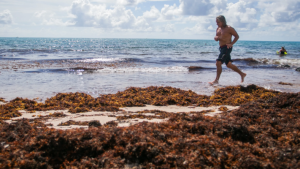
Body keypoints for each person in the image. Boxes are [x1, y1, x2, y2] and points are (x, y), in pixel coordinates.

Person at [209, 15, 246, 85]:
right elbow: (218, 38)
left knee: (218, 62)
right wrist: (216, 38)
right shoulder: (218, 28)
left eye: (218, 22)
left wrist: (231, 43)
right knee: (229, 65)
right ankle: (242, 74)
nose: (217, 23)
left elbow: (237, 36)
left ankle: (216, 80)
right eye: (216, 22)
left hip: (227, 48)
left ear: (223, 21)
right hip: (221, 48)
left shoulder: (229, 28)